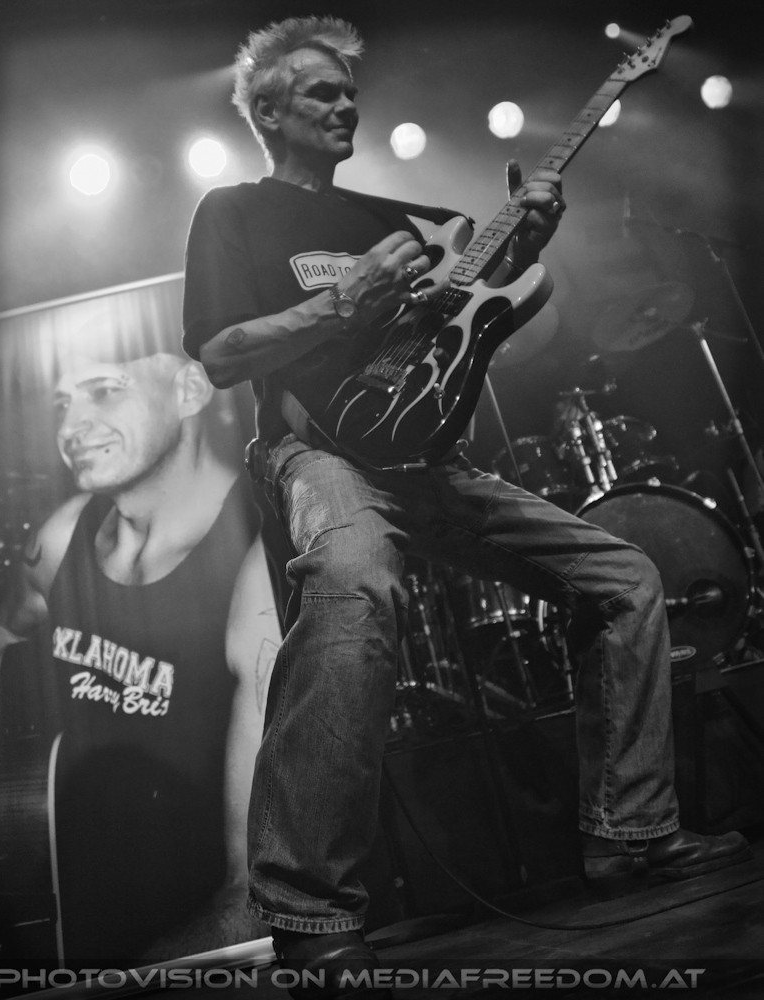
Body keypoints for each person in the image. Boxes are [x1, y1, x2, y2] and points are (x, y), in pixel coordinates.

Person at [182, 16, 751, 997]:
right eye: (321, 91)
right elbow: (220, 354)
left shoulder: (403, 218)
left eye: (350, 91)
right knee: (354, 582)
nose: (345, 104)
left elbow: (514, 331)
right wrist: (343, 301)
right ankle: (310, 911)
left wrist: (528, 243)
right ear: (267, 111)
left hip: (426, 461)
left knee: (623, 576)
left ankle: (630, 833)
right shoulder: (234, 212)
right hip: (318, 452)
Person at [0, 345, 280, 963]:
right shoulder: (63, 537)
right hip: (66, 924)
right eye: (62, 402)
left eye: (105, 389)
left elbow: (256, 894)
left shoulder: (259, 569)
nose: (70, 427)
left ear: (189, 391)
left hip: (195, 955)